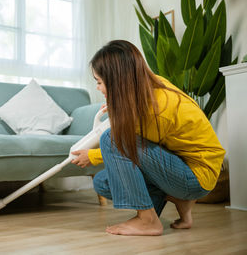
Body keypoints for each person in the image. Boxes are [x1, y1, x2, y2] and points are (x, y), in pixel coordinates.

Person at [71, 40, 225, 236]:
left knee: (111, 138)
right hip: (180, 165)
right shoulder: (151, 85)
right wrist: (122, 103)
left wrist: (92, 156)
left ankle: (148, 221)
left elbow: (124, 144)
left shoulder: (155, 110)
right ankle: (179, 200)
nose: (99, 88)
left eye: (100, 82)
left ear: (117, 81)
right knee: (103, 181)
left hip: (196, 175)